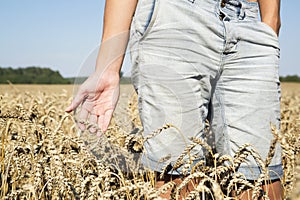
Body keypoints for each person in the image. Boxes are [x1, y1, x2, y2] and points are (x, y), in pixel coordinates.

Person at [66, 0, 283, 199]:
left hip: (248, 18)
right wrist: (108, 66)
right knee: (177, 174)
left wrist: (271, 21)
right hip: (176, 15)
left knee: (262, 176)